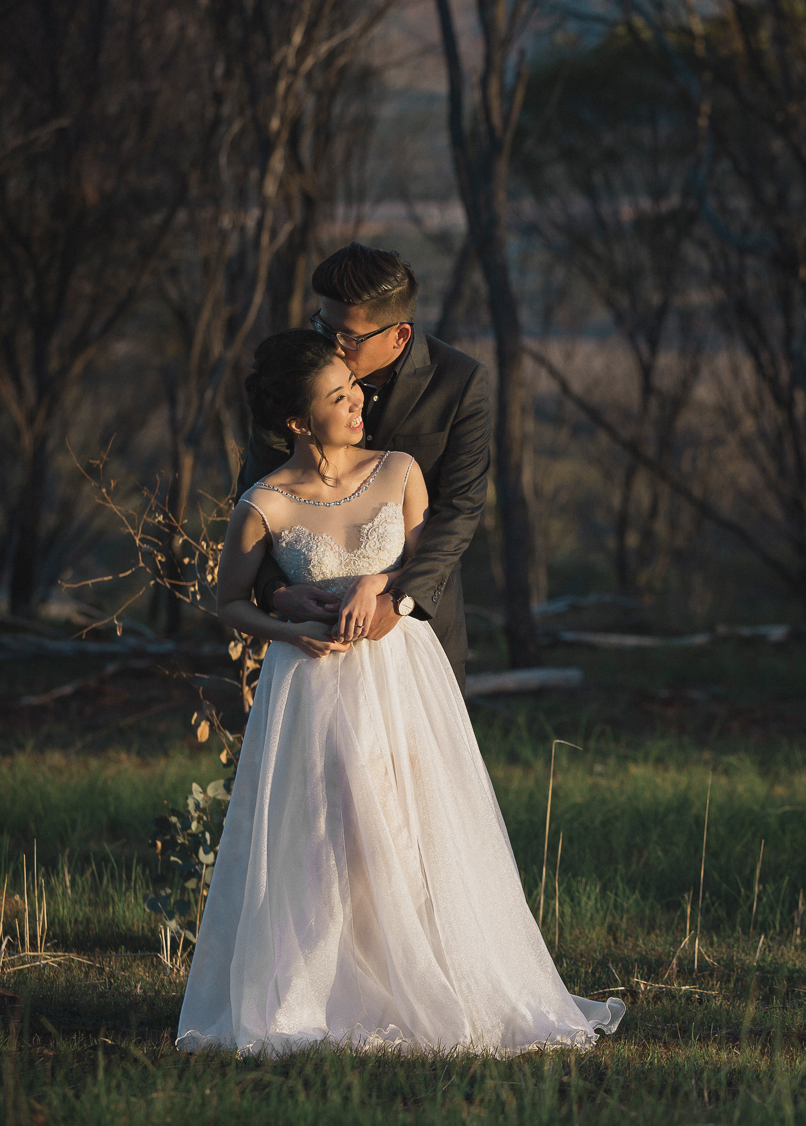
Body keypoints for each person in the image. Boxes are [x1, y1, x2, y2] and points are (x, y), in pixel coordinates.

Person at [176, 328, 623, 1056]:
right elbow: (227, 603)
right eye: (337, 396)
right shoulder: (265, 503)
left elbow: (422, 563)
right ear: (297, 421)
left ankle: (429, 977)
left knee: (408, 826)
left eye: (353, 390)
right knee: (329, 834)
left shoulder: (400, 469)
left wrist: (381, 583)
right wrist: (288, 624)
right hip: (314, 684)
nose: (356, 404)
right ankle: (322, 989)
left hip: (400, 674)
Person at [239, 243, 487, 684]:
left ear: (400, 335)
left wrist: (400, 599)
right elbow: (256, 498)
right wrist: (277, 594)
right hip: (312, 646)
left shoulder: (459, 383)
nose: (329, 345)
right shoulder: (297, 374)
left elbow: (460, 511)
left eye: (348, 338)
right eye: (323, 326)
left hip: (419, 630)